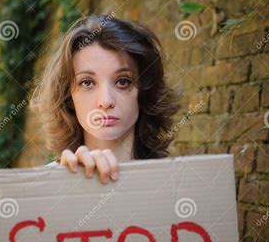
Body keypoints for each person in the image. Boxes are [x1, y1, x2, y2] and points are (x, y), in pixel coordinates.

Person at [34, 14, 180, 184]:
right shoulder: (44, 187)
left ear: (144, 92)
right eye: (87, 82)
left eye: (122, 82)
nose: (105, 101)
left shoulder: (174, 182)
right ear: (68, 97)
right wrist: (64, 187)